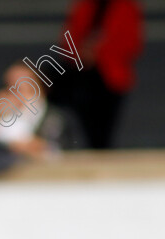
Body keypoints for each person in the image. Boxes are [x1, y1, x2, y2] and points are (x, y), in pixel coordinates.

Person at [49, 0, 143, 148]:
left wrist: (97, 51)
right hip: (82, 75)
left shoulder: (125, 6)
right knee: (83, 123)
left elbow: (130, 42)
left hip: (110, 78)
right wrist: (81, 53)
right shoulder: (85, 5)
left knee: (104, 128)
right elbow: (69, 37)